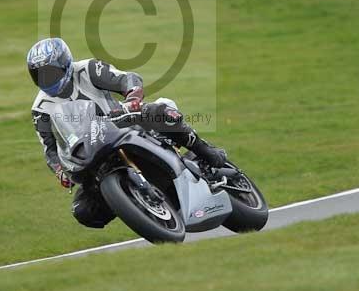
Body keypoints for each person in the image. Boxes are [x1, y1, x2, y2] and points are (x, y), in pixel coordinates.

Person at [27, 37, 226, 229]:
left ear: (65, 64)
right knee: (84, 211)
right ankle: (133, 204)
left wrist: (132, 96)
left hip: (119, 123)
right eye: (39, 75)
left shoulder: (87, 69)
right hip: (88, 151)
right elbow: (50, 149)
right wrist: (60, 172)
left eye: (50, 73)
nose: (45, 80)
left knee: (160, 113)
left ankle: (205, 151)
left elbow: (127, 78)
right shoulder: (40, 108)